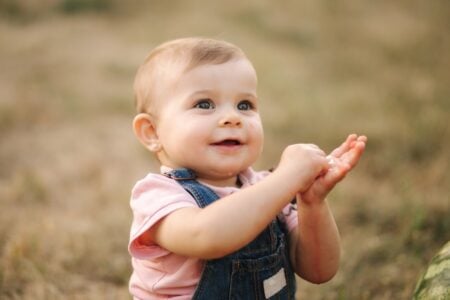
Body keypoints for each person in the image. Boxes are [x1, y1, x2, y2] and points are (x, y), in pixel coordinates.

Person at [128, 37, 367, 299]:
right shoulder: (157, 196)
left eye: (245, 105)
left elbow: (319, 271)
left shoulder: (269, 189)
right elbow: (206, 236)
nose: (233, 117)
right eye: (204, 104)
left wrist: (312, 203)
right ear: (152, 132)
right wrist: (287, 179)